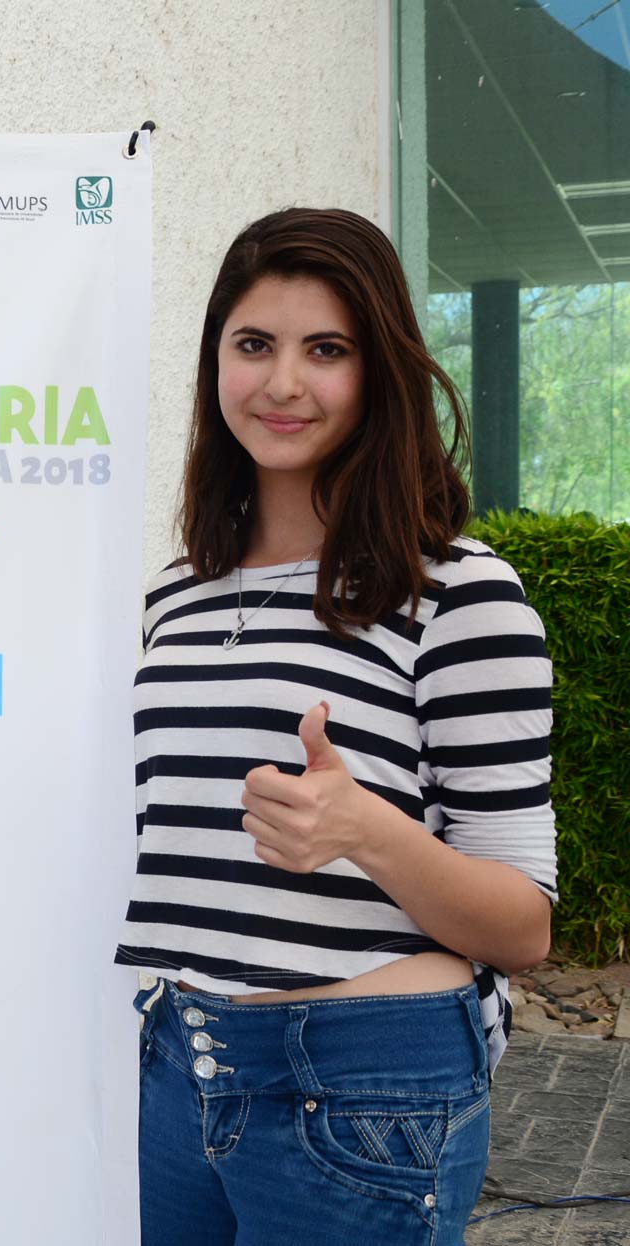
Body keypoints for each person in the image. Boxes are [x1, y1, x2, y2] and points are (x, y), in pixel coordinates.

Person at [116, 208, 556, 1244]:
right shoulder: (176, 596)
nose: (283, 383)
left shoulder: (458, 592)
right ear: (214, 362)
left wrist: (364, 828)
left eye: (327, 349)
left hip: (364, 1090)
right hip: (181, 1066)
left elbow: (523, 928)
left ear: (380, 373)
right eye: (253, 344)